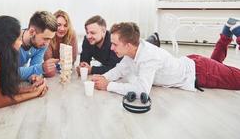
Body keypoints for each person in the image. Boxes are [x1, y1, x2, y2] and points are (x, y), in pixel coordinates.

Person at [92, 19, 240, 99]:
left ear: (129, 45)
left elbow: (142, 90)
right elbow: (119, 70)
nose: (111, 48)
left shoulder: (148, 57)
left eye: (114, 44)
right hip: (195, 64)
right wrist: (103, 77)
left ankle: (237, 33)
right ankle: (227, 30)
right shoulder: (132, 51)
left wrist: (108, 86)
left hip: (202, 73)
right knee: (218, 65)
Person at [77, 15, 161, 75]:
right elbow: (84, 62)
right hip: (106, 61)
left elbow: (114, 68)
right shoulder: (87, 39)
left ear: (103, 31)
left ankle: (153, 38)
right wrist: (82, 67)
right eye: (87, 32)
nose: (88, 36)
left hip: (134, 48)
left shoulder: (114, 42)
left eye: (92, 33)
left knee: (139, 44)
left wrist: (92, 69)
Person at [19, 11, 58, 80]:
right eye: (46, 38)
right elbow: (10, 73)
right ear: (32, 32)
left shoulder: (40, 45)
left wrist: (34, 79)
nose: (47, 44)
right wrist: (41, 68)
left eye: (50, 39)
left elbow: (35, 69)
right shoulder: (14, 42)